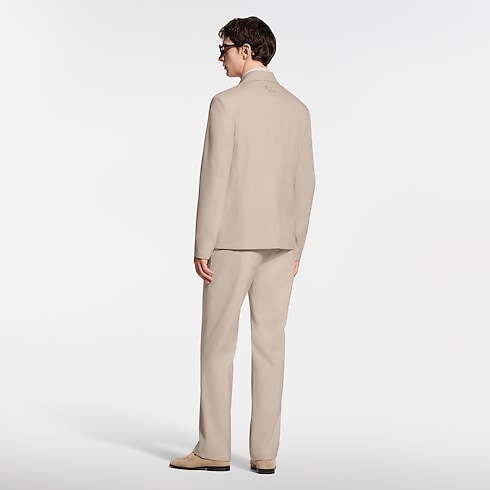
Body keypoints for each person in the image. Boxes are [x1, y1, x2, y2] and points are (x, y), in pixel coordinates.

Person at [169, 16, 315, 474]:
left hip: (231, 244)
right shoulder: (297, 109)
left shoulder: (225, 104)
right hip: (282, 246)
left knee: (217, 347)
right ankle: (265, 454)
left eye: (225, 48)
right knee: (271, 349)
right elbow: (306, 183)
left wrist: (202, 244)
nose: (221, 58)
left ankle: (213, 449)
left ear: (247, 51)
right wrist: (297, 246)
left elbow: (215, 178)